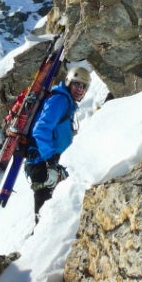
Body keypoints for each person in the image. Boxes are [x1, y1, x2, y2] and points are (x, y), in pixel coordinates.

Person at [25, 65, 91, 221]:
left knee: (54, 217)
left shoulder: (67, 102)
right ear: (68, 82)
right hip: (43, 164)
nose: (80, 89)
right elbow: (41, 130)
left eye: (84, 86)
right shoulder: (60, 100)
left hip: (51, 164)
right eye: (76, 84)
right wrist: (50, 162)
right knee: (46, 220)